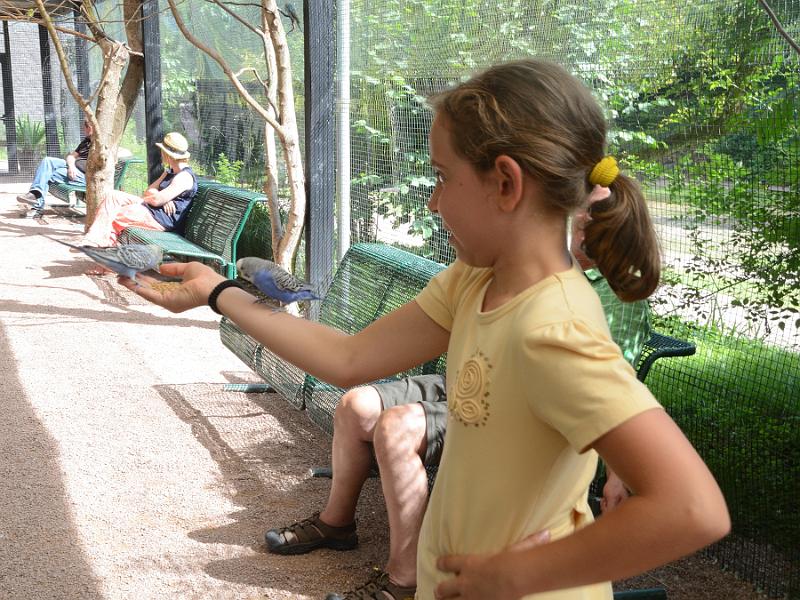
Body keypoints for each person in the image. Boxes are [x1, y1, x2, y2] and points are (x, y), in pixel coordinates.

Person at [122, 59, 730, 600]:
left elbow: (691, 507)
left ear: (505, 183)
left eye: (442, 177)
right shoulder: (473, 281)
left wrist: (522, 576)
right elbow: (350, 358)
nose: (434, 202)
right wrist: (218, 292)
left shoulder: (555, 328)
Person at [261, 187, 632, 600]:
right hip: (464, 378)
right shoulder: (491, 269)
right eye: (577, 223)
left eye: (585, 228)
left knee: (395, 428)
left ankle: (403, 578)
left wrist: (620, 470)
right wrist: (228, 298)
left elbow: (619, 393)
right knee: (355, 406)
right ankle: (337, 524)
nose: (434, 203)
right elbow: (352, 357)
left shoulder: (595, 298)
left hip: (510, 403)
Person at [76, 131, 197, 250]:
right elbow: (150, 191)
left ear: (168, 154)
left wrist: (155, 199)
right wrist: (162, 199)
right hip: (151, 209)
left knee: (116, 216)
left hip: (160, 219)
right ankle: (93, 240)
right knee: (113, 196)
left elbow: (155, 200)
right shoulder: (169, 171)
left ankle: (104, 262)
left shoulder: (184, 177)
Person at [17, 119, 93, 218]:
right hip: (74, 169)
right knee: (47, 161)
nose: (84, 130)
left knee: (46, 174)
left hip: (84, 176)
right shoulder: (86, 141)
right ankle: (35, 193)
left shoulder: (101, 145)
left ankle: (37, 207)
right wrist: (71, 166)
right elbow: (71, 156)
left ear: (90, 127)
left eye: (85, 127)